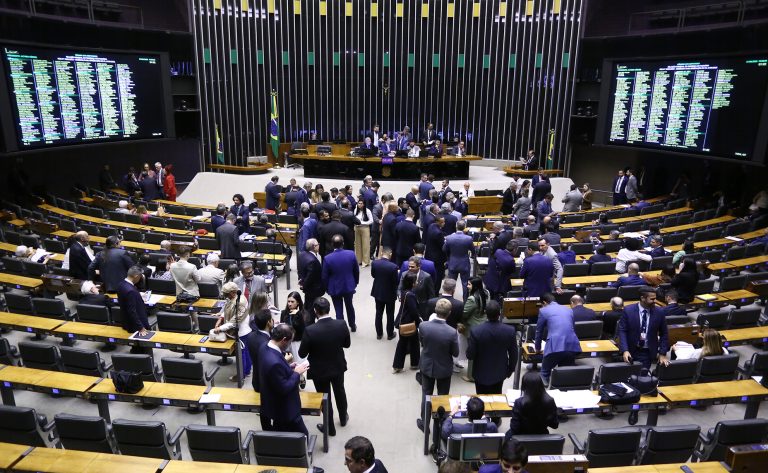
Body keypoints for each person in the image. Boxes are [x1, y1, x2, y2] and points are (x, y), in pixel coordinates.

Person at [299, 297, 351, 437]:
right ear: (329, 308)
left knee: (324, 396)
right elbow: (347, 344)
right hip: (337, 365)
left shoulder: (310, 330)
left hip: (319, 369)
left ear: (315, 311)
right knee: (340, 391)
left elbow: (302, 353)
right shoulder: (341, 324)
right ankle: (343, 417)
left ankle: (330, 427)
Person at [258, 324, 309, 435]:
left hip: (271, 402)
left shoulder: (264, 346)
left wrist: (287, 367)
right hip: (285, 409)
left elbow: (273, 373)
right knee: (304, 436)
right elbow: (284, 388)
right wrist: (296, 373)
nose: (290, 344)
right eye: (290, 341)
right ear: (284, 340)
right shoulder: (274, 362)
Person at [417, 298, 459, 431]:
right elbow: (456, 353)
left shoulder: (423, 326)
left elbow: (422, 342)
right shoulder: (452, 332)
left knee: (426, 394)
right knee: (442, 396)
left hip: (427, 364)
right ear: (449, 313)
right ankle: (441, 423)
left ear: (435, 310)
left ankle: (425, 423)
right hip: (444, 368)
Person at [468, 300, 517, 394]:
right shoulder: (509, 331)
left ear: (486, 313)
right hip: (499, 372)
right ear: (500, 313)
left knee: (481, 399)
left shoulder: (476, 331)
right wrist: (510, 370)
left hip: (480, 372)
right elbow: (514, 354)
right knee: (497, 398)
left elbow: (470, 355)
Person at [535, 292, 582, 383]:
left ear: (544, 303)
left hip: (555, 346)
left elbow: (539, 331)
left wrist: (537, 348)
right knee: (565, 375)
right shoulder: (568, 310)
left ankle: (543, 394)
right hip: (572, 345)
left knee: (544, 374)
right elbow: (572, 328)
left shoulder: (543, 311)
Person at [212, 282, 250, 381]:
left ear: (233, 292)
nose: (225, 296)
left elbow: (235, 321)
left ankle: (241, 375)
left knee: (242, 354)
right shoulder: (232, 298)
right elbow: (226, 308)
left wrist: (220, 329)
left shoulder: (240, 301)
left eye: (226, 294)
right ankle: (246, 370)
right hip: (237, 330)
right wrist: (220, 318)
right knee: (245, 352)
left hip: (242, 331)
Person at [322, 235, 360, 331]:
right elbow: (356, 271)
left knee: (338, 308)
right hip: (348, 285)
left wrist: (327, 288)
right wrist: (355, 282)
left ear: (332, 245)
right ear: (343, 243)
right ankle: (352, 325)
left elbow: (325, 276)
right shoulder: (351, 254)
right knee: (349, 306)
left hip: (335, 287)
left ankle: (341, 328)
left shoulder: (327, 258)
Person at [505, 372, 558, 438]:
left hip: (522, 440)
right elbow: (555, 425)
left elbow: (514, 428)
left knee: (506, 436)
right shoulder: (550, 401)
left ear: (524, 386)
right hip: (543, 439)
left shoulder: (519, 403)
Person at [460, 277, 489, 382]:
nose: (467, 286)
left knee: (472, 352)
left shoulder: (472, 299)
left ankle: (471, 376)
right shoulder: (486, 293)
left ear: (474, 286)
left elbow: (465, 313)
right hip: (484, 325)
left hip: (473, 327)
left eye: (469, 284)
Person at [393, 273, 421, 373]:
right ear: (412, 283)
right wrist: (419, 321)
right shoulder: (411, 295)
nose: (417, 282)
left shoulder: (405, 292)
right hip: (409, 322)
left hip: (403, 321)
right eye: (416, 281)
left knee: (403, 343)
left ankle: (398, 366)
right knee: (413, 344)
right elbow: (414, 311)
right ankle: (414, 363)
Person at [371, 249, 399, 340]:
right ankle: (390, 334)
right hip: (390, 293)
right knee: (390, 314)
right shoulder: (393, 267)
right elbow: (396, 281)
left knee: (379, 312)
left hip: (378, 291)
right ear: (390, 254)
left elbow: (373, 275)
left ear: (382, 253)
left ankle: (379, 334)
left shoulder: (375, 263)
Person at [443, 220, 475, 298]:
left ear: (456, 226)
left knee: (450, 284)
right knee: (465, 284)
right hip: (464, 264)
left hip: (453, 263)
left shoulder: (449, 238)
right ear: (464, 227)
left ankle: (450, 300)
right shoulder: (469, 238)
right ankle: (465, 303)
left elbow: (444, 249)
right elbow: (473, 251)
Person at [281, 291, 307, 363]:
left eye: (292, 302)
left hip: (296, 343)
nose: (289, 304)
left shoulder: (302, 314)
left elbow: (301, 329)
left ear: (298, 302)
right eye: (288, 301)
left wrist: (296, 315)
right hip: (286, 343)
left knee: (298, 364)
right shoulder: (284, 313)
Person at [298, 239, 325, 309]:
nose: (319, 246)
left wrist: (301, 281)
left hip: (307, 287)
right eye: (317, 245)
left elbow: (300, 270)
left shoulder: (302, 254)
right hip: (313, 289)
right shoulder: (313, 261)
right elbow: (310, 277)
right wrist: (304, 285)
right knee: (311, 308)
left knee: (307, 304)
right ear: (314, 247)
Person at [353, 199, 373, 267]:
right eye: (359, 203)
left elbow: (371, 221)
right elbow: (353, 218)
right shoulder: (356, 210)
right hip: (357, 228)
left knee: (365, 245)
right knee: (357, 245)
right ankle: (359, 260)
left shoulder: (367, 211)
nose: (360, 205)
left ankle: (365, 261)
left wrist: (363, 223)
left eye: (361, 203)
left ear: (364, 204)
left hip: (365, 228)